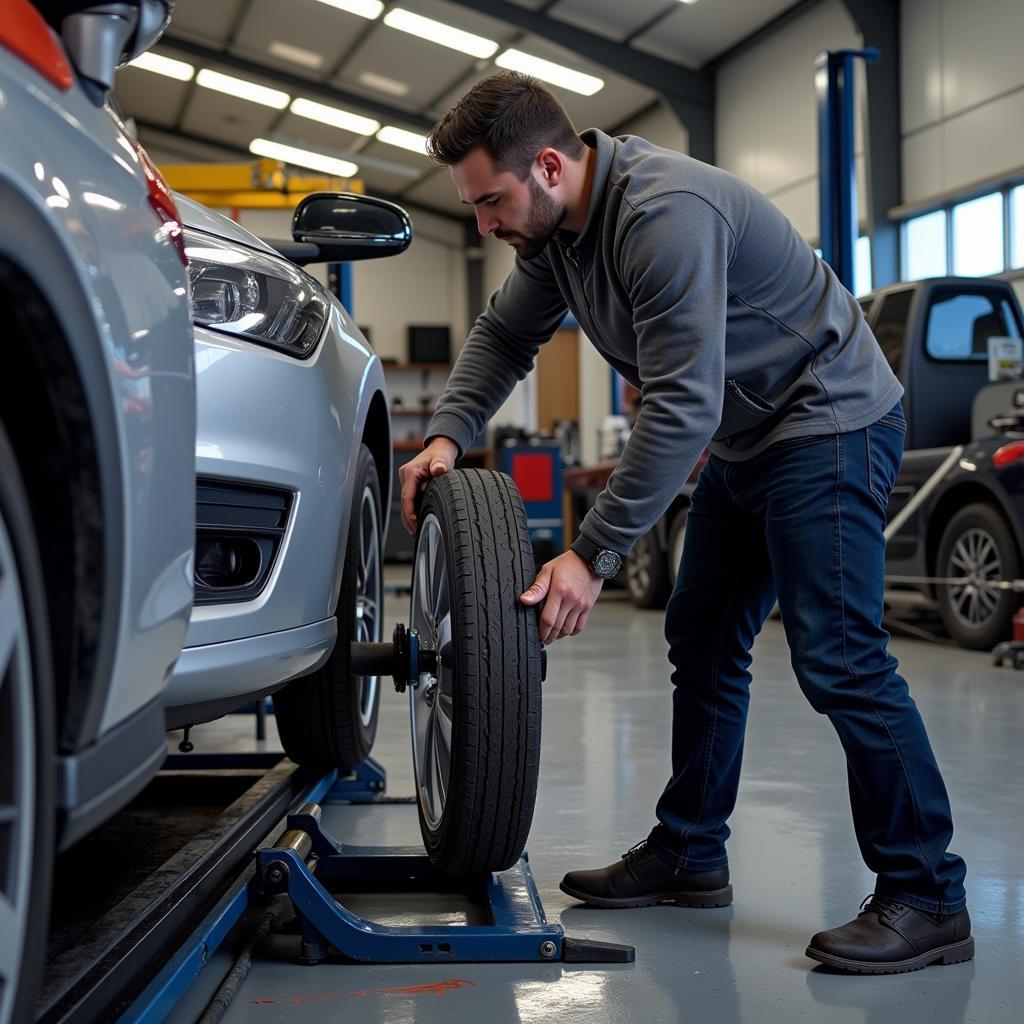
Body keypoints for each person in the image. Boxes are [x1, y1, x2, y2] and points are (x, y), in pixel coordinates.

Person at [398, 71, 971, 974]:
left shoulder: (664, 214)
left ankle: (929, 894)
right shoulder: (557, 238)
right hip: (752, 436)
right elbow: (506, 337)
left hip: (829, 417)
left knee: (841, 653)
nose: (485, 225)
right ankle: (691, 852)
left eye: (492, 201)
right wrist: (444, 434)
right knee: (700, 633)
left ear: (548, 165)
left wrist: (592, 552)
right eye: (472, 208)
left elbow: (680, 407)